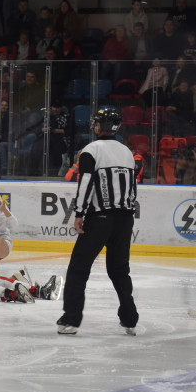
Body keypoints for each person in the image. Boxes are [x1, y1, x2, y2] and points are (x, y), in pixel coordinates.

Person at [57, 108, 139, 336]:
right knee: (120, 270)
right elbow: (132, 187)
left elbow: (85, 184)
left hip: (99, 218)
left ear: (98, 126)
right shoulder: (127, 152)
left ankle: (71, 319)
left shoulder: (90, 151)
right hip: (125, 218)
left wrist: (79, 213)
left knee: (78, 269)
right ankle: (130, 319)